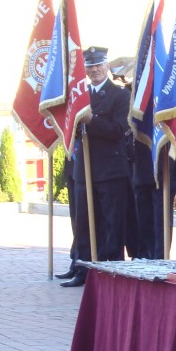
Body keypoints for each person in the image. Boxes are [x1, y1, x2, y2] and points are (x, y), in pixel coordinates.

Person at [61, 47, 132, 288]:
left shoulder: (120, 96)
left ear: (107, 66)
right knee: (84, 223)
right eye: (90, 66)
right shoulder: (80, 96)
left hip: (110, 170)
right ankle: (82, 270)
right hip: (85, 169)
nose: (94, 70)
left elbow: (117, 131)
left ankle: (111, 270)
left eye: (99, 65)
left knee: (112, 224)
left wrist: (92, 119)